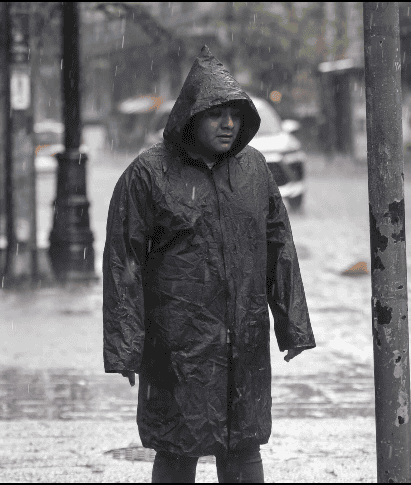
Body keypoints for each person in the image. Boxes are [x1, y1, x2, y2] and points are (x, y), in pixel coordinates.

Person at [103, 45, 315, 483]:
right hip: (177, 347)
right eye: (217, 114)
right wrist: (126, 346)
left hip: (243, 340)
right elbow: (124, 263)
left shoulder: (254, 170)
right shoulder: (148, 175)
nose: (229, 124)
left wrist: (292, 325)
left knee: (243, 447)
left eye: (235, 115)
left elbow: (279, 248)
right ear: (190, 117)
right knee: (178, 448)